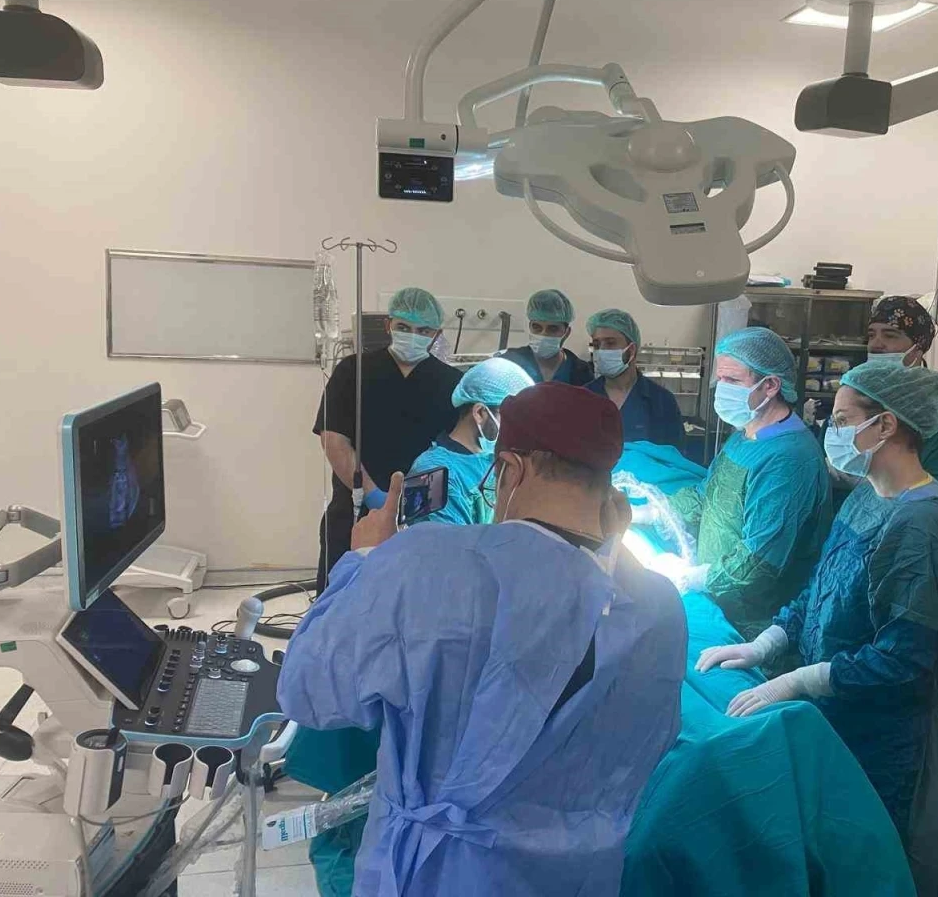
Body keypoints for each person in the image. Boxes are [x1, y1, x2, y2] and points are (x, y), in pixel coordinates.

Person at [278, 382, 688, 897]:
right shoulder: (658, 604)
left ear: (510, 469)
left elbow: (310, 689)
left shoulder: (424, 563)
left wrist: (363, 561)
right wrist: (614, 547)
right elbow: (645, 741)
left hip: (439, 873)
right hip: (578, 876)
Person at [696, 360, 938, 897]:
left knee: (877, 869)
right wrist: (768, 642)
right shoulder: (869, 494)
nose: (831, 429)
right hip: (838, 717)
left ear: (886, 425)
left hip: (887, 742)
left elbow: (903, 663)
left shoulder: (928, 527)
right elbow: (821, 586)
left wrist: (801, 680)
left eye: (843, 419)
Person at [662, 327, 832, 641]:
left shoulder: (789, 458)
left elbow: (759, 562)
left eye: (732, 380)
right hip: (722, 601)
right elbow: (709, 495)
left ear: (770, 386)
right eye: (720, 379)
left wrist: (693, 577)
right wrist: (656, 511)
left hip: (755, 622)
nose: (721, 389)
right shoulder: (746, 433)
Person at [312, 286, 461, 592]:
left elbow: (457, 449)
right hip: (355, 509)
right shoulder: (352, 371)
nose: (413, 336)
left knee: (409, 601)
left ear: (437, 334)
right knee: (342, 600)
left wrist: (413, 505)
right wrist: (373, 495)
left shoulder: (452, 383)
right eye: (404, 327)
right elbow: (334, 439)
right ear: (388, 324)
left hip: (423, 517)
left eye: (424, 330)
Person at [866, 296, 938, 505]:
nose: (875, 345)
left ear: (918, 347)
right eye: (871, 335)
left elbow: (936, 498)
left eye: (890, 335)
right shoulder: (867, 398)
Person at [407, 357, 533, 526]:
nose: (517, 427)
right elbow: (435, 541)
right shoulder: (429, 474)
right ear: (480, 413)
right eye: (512, 417)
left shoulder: (494, 459)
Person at [583, 308, 684, 451]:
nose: (601, 351)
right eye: (597, 345)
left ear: (631, 350)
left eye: (610, 343)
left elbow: (674, 456)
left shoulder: (661, 401)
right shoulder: (582, 397)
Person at [501, 289, 594, 386]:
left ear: (567, 332)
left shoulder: (580, 372)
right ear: (529, 327)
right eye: (537, 327)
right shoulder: (510, 362)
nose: (543, 334)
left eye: (552, 329)